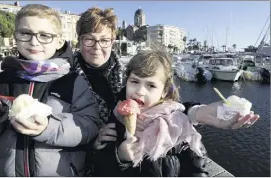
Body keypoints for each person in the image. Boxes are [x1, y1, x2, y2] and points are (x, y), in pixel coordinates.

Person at [71, 7, 260, 174]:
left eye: (104, 40)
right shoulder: (65, 78)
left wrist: (198, 113)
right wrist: (110, 151)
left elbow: (168, 109)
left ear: (113, 40)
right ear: (79, 40)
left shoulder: (124, 76)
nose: (97, 47)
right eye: (89, 39)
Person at [0, 4, 101, 177]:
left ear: (59, 41)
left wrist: (47, 127)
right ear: (16, 36)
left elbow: (89, 127)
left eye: (45, 35)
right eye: (26, 33)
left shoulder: (72, 81)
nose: (34, 42)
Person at [91, 49, 209, 176]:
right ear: (127, 82)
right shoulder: (117, 118)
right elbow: (99, 168)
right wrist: (118, 156)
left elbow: (197, 169)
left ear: (164, 91)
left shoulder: (177, 124)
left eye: (151, 86)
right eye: (135, 81)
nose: (140, 91)